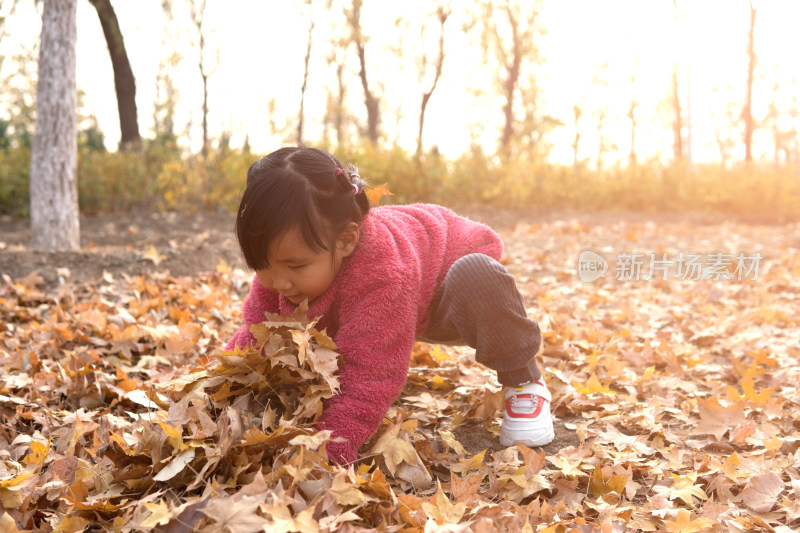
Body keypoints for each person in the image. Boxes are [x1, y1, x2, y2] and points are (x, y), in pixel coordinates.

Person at [225, 146, 554, 464]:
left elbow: (369, 380)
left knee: (477, 277)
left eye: (295, 267)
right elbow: (257, 335)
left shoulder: (383, 272)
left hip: (448, 292)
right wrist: (210, 383)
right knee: (346, 325)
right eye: (262, 265)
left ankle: (524, 380)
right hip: (390, 298)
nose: (278, 283)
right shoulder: (283, 267)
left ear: (346, 241)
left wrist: (328, 451)